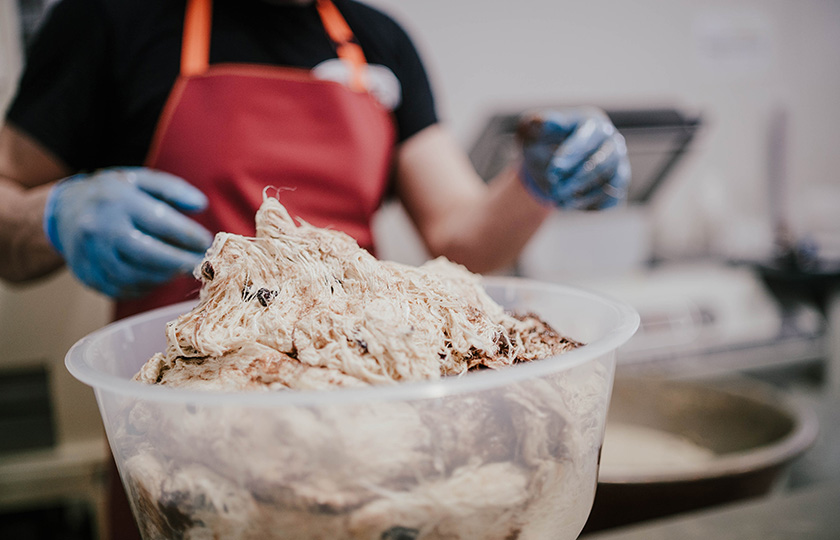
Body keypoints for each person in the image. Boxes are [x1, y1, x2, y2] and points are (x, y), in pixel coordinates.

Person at [0, 0, 630, 537]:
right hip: (187, 415)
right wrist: (51, 214)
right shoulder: (111, 17)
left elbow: (460, 239)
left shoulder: (379, 41)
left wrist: (534, 184)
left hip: (363, 401)